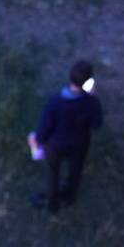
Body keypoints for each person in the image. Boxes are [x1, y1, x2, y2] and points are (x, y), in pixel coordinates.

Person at [29, 60, 104, 213]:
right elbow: (96, 124)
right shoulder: (92, 102)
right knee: (75, 171)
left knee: (53, 172)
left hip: (55, 145)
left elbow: (46, 126)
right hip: (80, 144)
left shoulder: (56, 101)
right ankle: (70, 196)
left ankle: (52, 203)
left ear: (70, 76)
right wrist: (94, 98)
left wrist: (36, 140)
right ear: (88, 81)